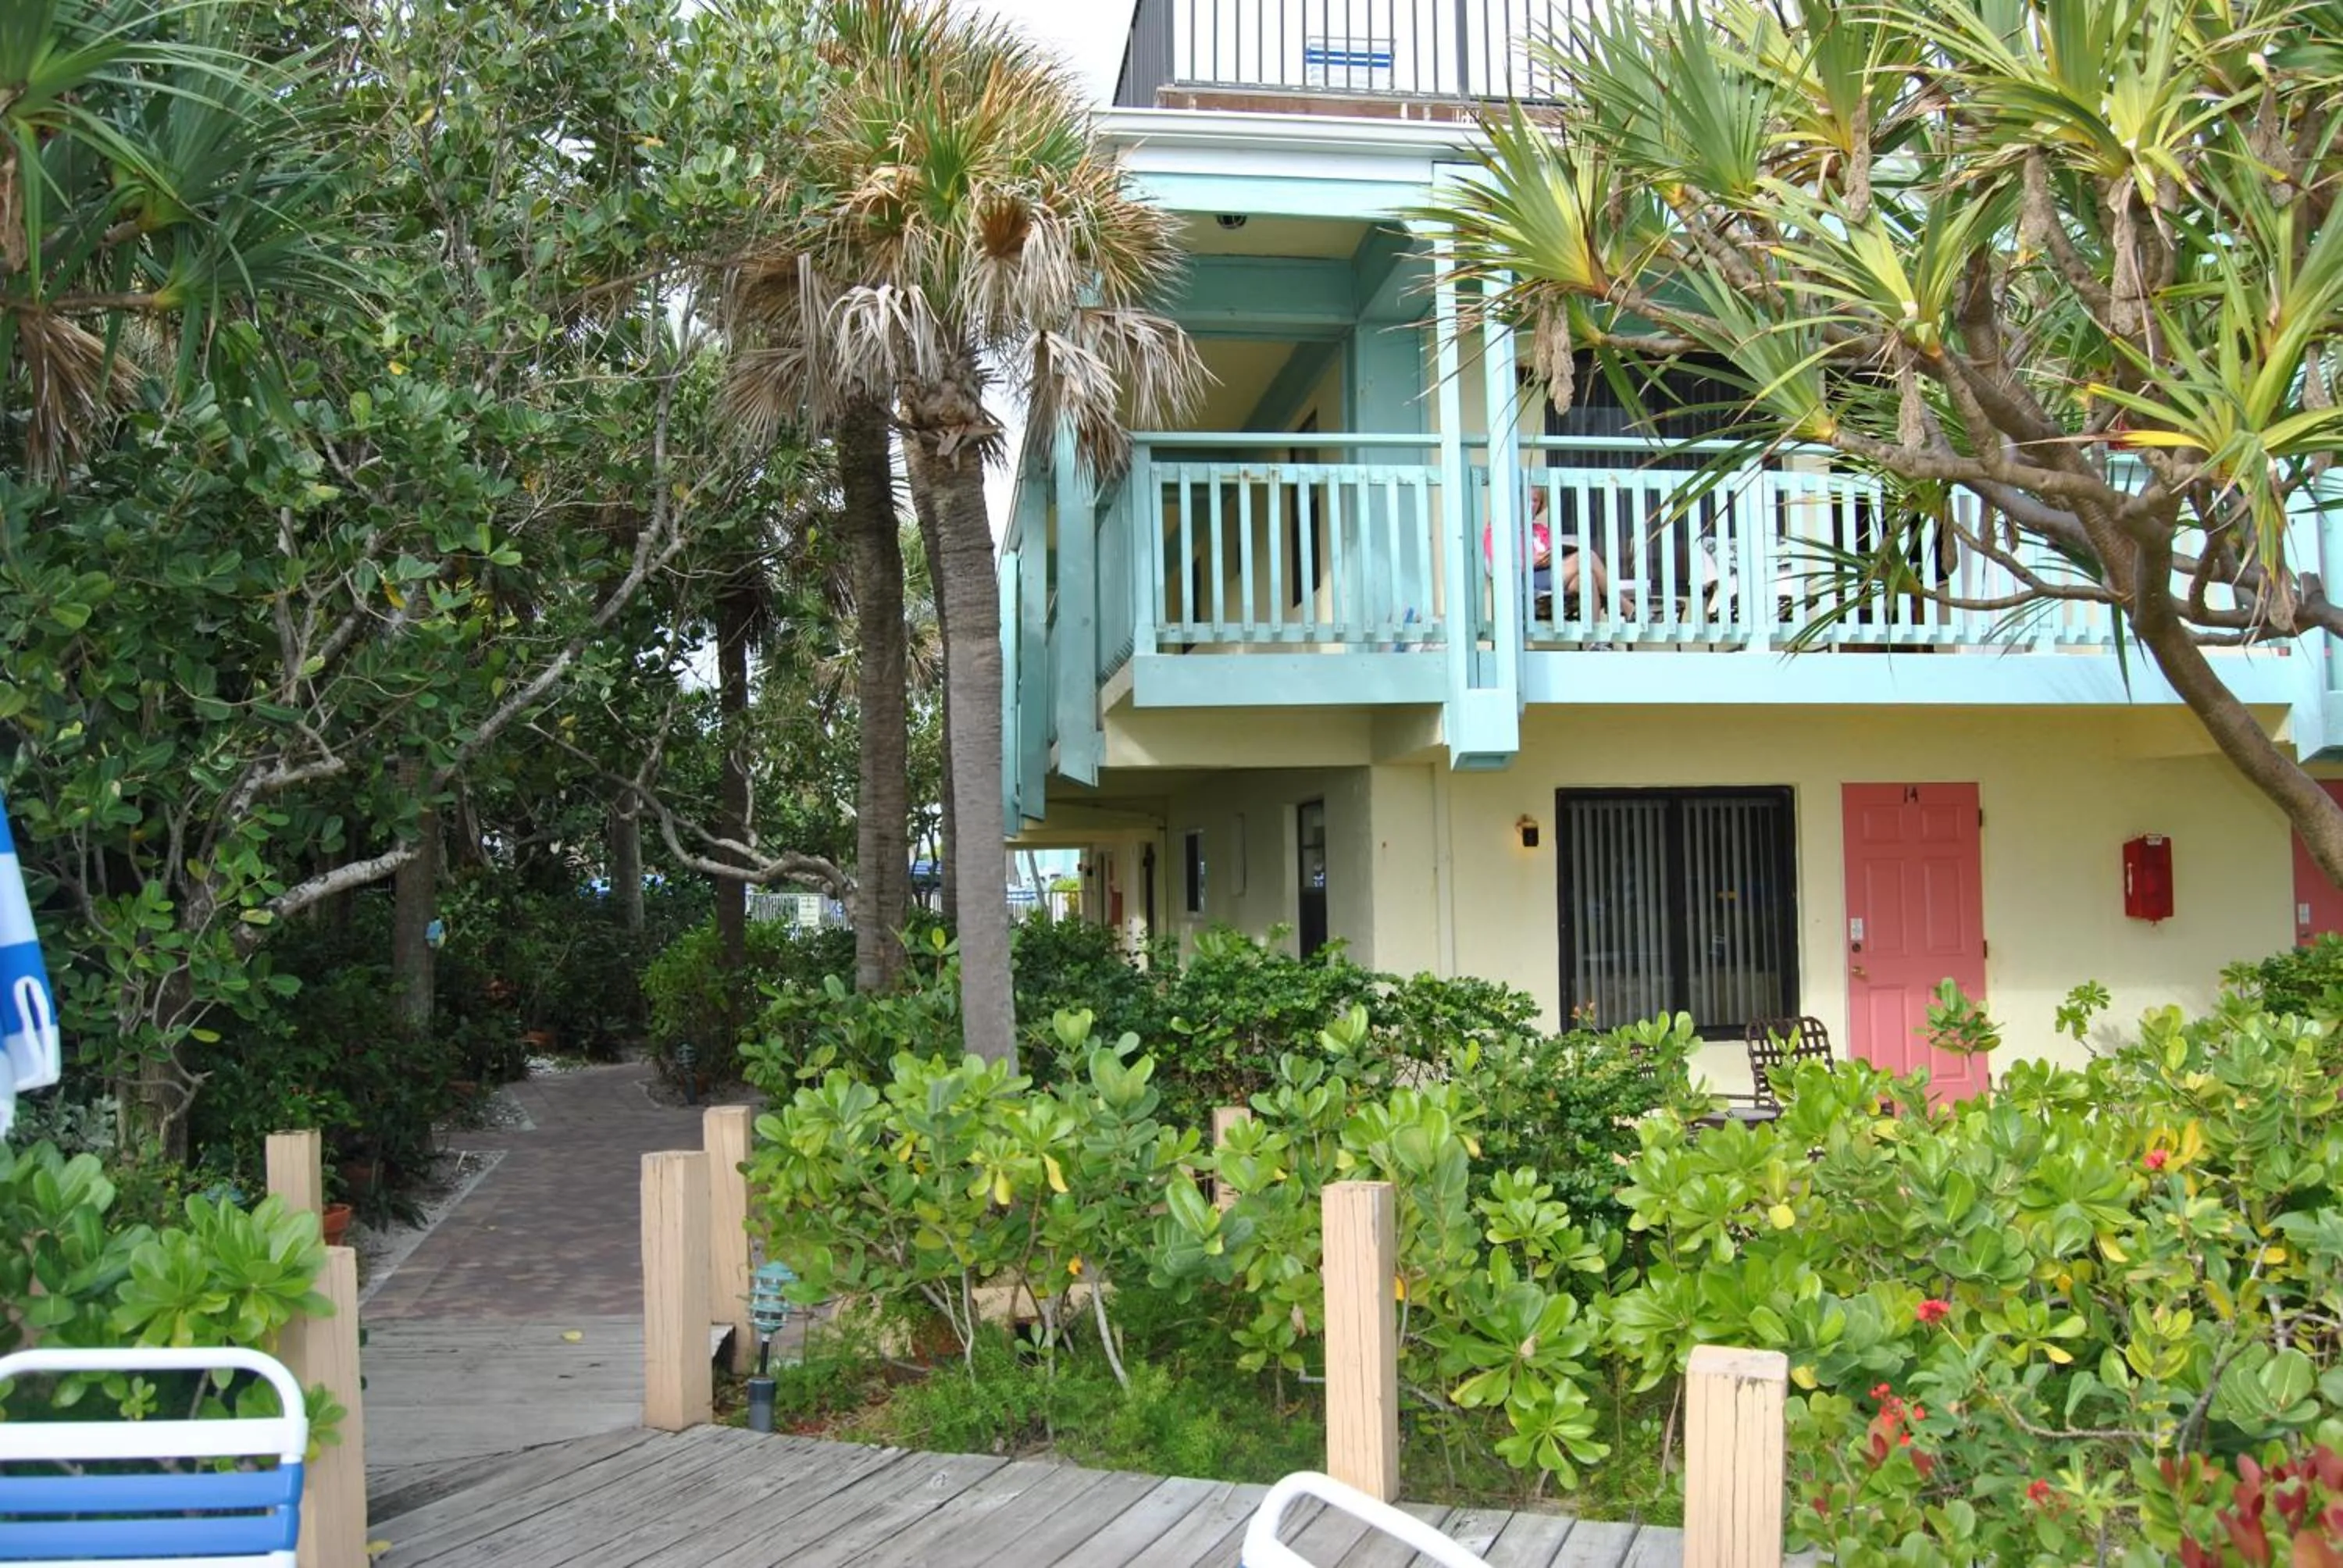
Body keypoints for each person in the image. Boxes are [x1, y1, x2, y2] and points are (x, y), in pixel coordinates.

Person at [1484, 484, 1611, 618]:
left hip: (1553, 578)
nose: (1532, 505)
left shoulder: (1541, 530)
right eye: (1527, 499)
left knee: (1587, 578)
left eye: (1536, 500)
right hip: (1527, 582)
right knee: (1587, 557)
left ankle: (1593, 637)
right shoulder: (1498, 530)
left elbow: (1553, 553)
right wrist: (1531, 562)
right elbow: (1496, 566)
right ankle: (1623, 605)